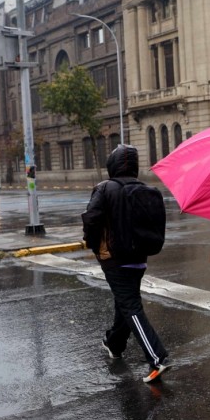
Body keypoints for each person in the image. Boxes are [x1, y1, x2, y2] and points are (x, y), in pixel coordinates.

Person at [82, 144, 171, 384]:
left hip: (115, 258)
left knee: (130, 305)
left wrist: (91, 244)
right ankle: (114, 343)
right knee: (125, 300)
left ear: (112, 164)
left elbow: (91, 219)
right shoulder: (146, 189)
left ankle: (157, 357)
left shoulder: (105, 188)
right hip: (139, 258)